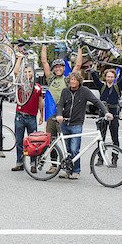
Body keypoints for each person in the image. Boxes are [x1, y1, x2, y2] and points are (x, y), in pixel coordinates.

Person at [55, 72, 112, 179]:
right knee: (67, 149)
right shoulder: (65, 91)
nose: (73, 82)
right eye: (71, 80)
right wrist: (59, 115)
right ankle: (67, 169)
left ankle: (76, 170)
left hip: (76, 124)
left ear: (79, 81)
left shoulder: (84, 91)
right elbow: (60, 104)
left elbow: (96, 101)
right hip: (65, 123)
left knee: (74, 149)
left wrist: (106, 112)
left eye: (75, 80)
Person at [41, 45, 83, 174]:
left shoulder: (67, 79)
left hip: (64, 116)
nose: (58, 68)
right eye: (56, 67)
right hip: (51, 116)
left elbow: (78, 66)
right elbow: (44, 62)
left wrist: (80, 48)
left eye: (60, 66)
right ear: (54, 69)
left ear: (64, 68)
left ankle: (71, 168)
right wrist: (44, 45)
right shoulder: (51, 78)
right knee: (51, 140)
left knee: (69, 144)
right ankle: (54, 164)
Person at [11, 54, 44, 172]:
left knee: (33, 142)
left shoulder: (37, 87)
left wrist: (41, 114)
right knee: (19, 140)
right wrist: (19, 59)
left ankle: (33, 163)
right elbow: (15, 72)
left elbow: (40, 101)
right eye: (25, 72)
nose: (27, 74)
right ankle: (19, 162)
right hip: (20, 116)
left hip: (32, 117)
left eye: (29, 72)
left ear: (33, 73)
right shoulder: (20, 83)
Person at [90, 67, 122, 166]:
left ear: (114, 78)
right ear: (105, 77)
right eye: (108, 76)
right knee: (101, 137)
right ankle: (100, 158)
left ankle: (114, 159)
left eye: (112, 77)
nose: (110, 78)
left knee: (115, 138)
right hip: (103, 115)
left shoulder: (117, 86)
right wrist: (93, 69)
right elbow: (95, 78)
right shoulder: (101, 86)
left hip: (114, 115)